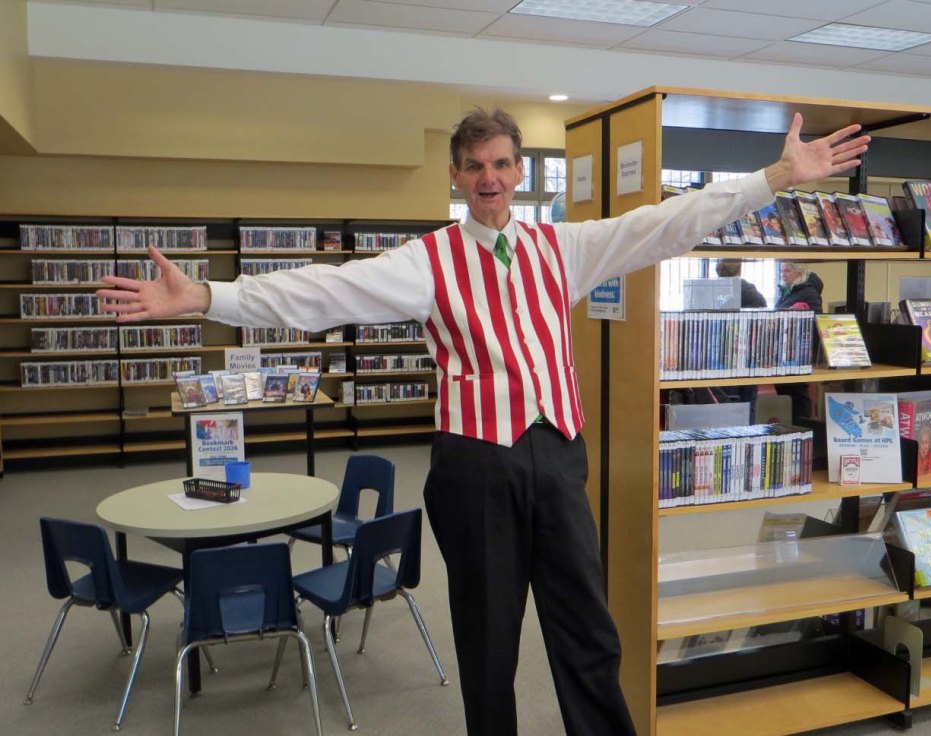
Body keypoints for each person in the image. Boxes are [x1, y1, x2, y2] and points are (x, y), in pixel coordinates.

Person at [97, 107, 868, 736]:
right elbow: (324, 291)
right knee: (489, 641)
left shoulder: (564, 247)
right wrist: (209, 297)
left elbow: (668, 222)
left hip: (558, 460)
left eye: (501, 164)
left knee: (588, 631)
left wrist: (774, 178)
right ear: (457, 176)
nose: (489, 179)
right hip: (476, 468)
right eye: (474, 167)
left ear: (519, 171)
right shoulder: (427, 260)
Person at [715, 259, 766, 420]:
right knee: (748, 404)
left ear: (718, 270)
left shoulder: (714, 293)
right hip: (750, 357)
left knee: (725, 405)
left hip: (722, 358)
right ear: (740, 270)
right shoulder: (753, 294)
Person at [775, 261, 823, 421]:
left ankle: (803, 426)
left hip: (798, 353)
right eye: (782, 271)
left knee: (797, 394)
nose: (783, 274)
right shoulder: (787, 292)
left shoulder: (809, 293)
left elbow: (815, 322)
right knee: (787, 393)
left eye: (787, 271)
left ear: (799, 272)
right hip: (785, 351)